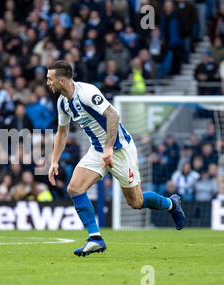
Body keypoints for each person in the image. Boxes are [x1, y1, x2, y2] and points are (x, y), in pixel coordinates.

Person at [46, 60, 185, 257]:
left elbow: (113, 115)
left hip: (119, 150)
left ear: (62, 80)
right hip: (97, 151)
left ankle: (172, 204)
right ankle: (95, 239)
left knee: (135, 202)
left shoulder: (87, 92)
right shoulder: (62, 102)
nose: (47, 83)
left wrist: (109, 149)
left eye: (50, 79)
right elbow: (62, 132)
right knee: (74, 188)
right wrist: (54, 161)